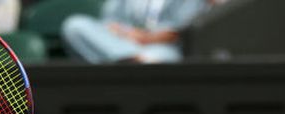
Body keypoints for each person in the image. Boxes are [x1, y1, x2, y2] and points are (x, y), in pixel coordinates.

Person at [60, 0, 209, 64]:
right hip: (120, 44)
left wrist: (146, 38)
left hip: (161, 48)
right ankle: (128, 60)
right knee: (75, 26)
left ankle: (127, 63)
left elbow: (179, 30)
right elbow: (110, 21)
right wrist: (128, 34)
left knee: (159, 59)